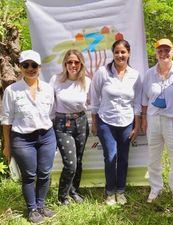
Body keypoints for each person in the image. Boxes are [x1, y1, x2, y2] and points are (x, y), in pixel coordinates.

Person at [2, 50, 57, 223]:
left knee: (45, 173)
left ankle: (41, 204)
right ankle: (32, 209)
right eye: (26, 65)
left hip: (47, 136)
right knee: (29, 175)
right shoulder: (12, 90)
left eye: (34, 65)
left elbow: (52, 114)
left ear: (40, 67)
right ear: (20, 67)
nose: (30, 68)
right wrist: (7, 144)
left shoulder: (48, 89)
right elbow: (6, 120)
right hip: (22, 139)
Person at [90, 39, 141, 205]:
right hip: (106, 121)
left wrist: (137, 124)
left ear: (129, 53)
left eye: (123, 52)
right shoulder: (102, 73)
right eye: (117, 52)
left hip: (127, 122)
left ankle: (121, 191)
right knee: (110, 157)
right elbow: (94, 98)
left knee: (124, 158)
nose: (120, 55)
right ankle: (110, 192)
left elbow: (138, 102)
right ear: (113, 54)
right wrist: (94, 121)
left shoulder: (135, 75)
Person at [141, 38, 173, 203]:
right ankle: (156, 188)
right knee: (153, 156)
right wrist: (143, 119)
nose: (163, 53)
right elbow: (144, 99)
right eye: (160, 50)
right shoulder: (149, 74)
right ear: (156, 53)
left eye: (167, 50)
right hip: (153, 119)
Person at [49, 49, 91, 205]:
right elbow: (49, 104)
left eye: (76, 62)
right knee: (70, 163)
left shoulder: (87, 81)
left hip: (80, 122)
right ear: (65, 64)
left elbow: (93, 103)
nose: (73, 65)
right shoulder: (56, 80)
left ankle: (74, 191)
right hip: (61, 124)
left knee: (79, 160)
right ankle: (63, 196)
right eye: (70, 62)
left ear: (81, 64)